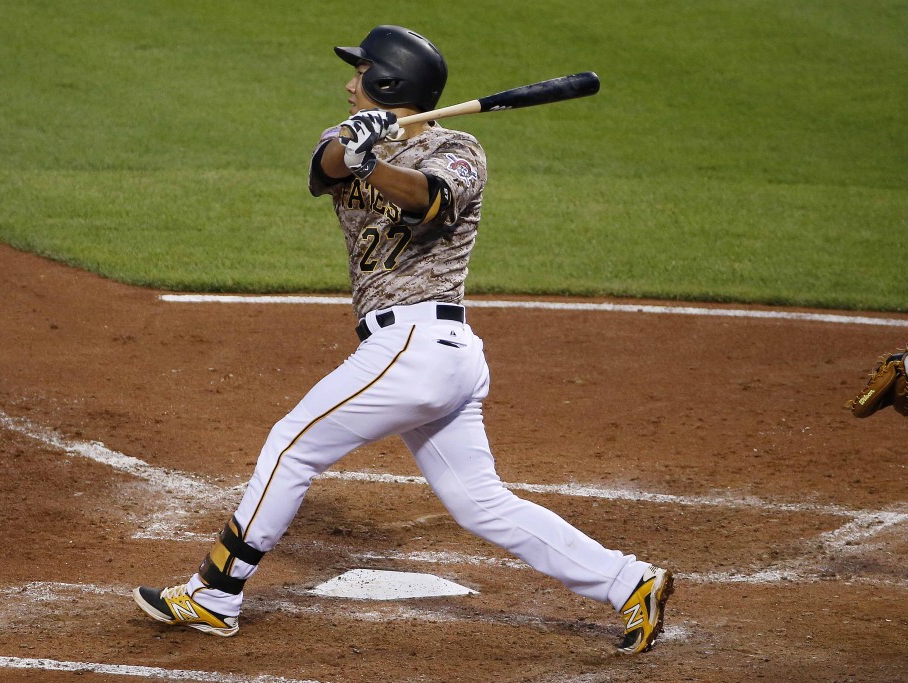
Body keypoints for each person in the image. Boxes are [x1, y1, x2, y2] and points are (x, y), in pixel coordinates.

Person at [133, 24, 673, 655]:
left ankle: (214, 593)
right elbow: (326, 167)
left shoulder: (460, 149)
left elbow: (430, 200)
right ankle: (629, 581)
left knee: (291, 445)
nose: (347, 83)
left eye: (359, 74)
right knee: (480, 505)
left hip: (419, 347)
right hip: (425, 358)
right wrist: (355, 149)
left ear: (387, 82)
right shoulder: (345, 134)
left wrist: (378, 164)